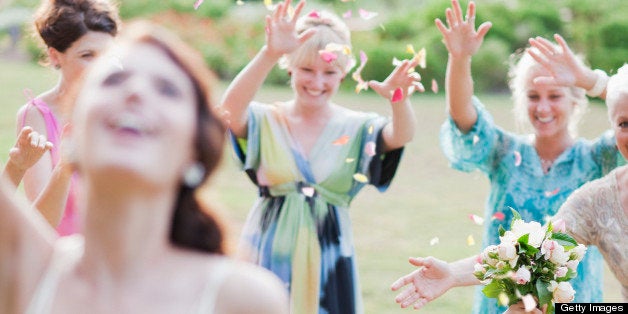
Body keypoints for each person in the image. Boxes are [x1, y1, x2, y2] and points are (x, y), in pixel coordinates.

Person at [0, 20, 289, 314]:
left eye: (167, 89)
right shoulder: (25, 273)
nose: (136, 91)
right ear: (71, 135)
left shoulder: (245, 299)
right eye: (112, 81)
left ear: (194, 151)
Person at [397, 0, 619, 312]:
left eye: (554, 95)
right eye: (533, 96)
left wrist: (588, 80)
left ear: (575, 101)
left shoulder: (600, 159)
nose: (543, 108)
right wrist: (459, 59)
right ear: (519, 99)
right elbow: (464, 118)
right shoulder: (504, 152)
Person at [219, 0, 420, 312]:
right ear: (289, 67)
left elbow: (401, 136)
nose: (317, 82)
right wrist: (270, 52)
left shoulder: (357, 127)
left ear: (344, 72)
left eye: (329, 71)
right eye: (306, 69)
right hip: (268, 251)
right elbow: (229, 111)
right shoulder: (266, 120)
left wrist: (398, 99)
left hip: (331, 261)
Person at [17, 0, 120, 235]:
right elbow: (40, 223)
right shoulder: (37, 117)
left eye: (108, 55)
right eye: (87, 55)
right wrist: (66, 163)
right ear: (55, 57)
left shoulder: (122, 109)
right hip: (65, 259)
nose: (100, 66)